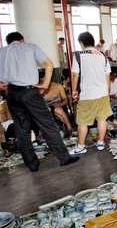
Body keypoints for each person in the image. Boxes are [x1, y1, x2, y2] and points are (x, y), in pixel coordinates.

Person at [0, 32, 79, 171]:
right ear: (22, 40)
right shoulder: (30, 47)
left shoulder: (2, 52)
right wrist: (46, 84)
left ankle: (32, 164)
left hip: (12, 93)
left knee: (21, 130)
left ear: (8, 42)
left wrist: (2, 83)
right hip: (29, 91)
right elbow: (49, 64)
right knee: (48, 125)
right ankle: (64, 158)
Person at [70, 31, 113, 155]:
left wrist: (74, 90)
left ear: (81, 43)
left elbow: (75, 74)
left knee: (82, 121)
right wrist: (107, 91)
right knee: (102, 119)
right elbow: (107, 75)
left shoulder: (78, 55)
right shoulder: (102, 55)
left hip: (87, 94)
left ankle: (81, 146)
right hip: (102, 93)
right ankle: (100, 142)